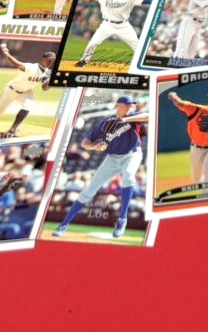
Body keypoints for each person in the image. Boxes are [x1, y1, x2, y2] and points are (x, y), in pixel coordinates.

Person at [53, 96, 149, 239]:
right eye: (127, 105)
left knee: (129, 175)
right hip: (112, 159)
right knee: (88, 191)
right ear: (118, 105)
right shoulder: (105, 122)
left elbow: (148, 116)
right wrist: (94, 147)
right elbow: (85, 142)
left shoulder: (133, 117)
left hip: (132, 155)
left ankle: (122, 219)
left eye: (132, 105)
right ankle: (63, 225)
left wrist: (125, 120)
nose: (130, 107)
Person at [0, 45, 56, 136]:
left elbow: (44, 88)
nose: (50, 62)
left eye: (52, 60)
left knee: (28, 105)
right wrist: (7, 54)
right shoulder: (31, 67)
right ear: (43, 58)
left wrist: (50, 83)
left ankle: (13, 129)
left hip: (26, 92)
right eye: (49, 59)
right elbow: (17, 64)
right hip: (11, 90)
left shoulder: (47, 73)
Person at [76, 0, 148, 68]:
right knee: (93, 43)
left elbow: (146, 0)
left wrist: (157, 1)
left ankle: (142, 63)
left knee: (137, 44)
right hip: (107, 25)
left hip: (124, 26)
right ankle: (84, 61)